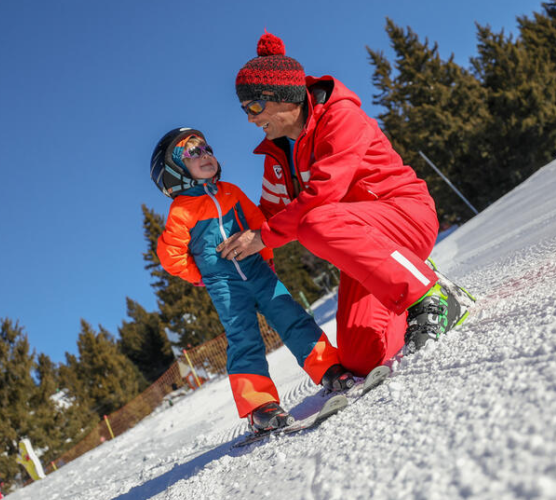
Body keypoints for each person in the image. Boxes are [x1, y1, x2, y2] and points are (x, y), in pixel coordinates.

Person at [218, 31, 475, 388]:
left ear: (282, 97)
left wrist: (262, 236)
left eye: (254, 107)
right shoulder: (278, 157)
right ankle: (418, 279)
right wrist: (223, 244)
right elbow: (268, 216)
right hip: (362, 248)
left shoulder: (340, 117)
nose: (249, 119)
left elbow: (323, 195)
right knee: (361, 359)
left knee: (313, 222)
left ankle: (429, 295)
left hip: (403, 215)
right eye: (245, 110)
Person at [151, 128, 346, 433]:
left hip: (258, 270)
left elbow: (257, 223)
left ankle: (329, 369)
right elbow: (170, 256)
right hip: (224, 284)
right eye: (192, 153)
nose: (205, 155)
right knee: (244, 338)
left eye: (206, 148)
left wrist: (267, 256)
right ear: (174, 171)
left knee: (292, 316)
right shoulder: (181, 211)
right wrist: (203, 276)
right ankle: (259, 407)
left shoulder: (231, 191)